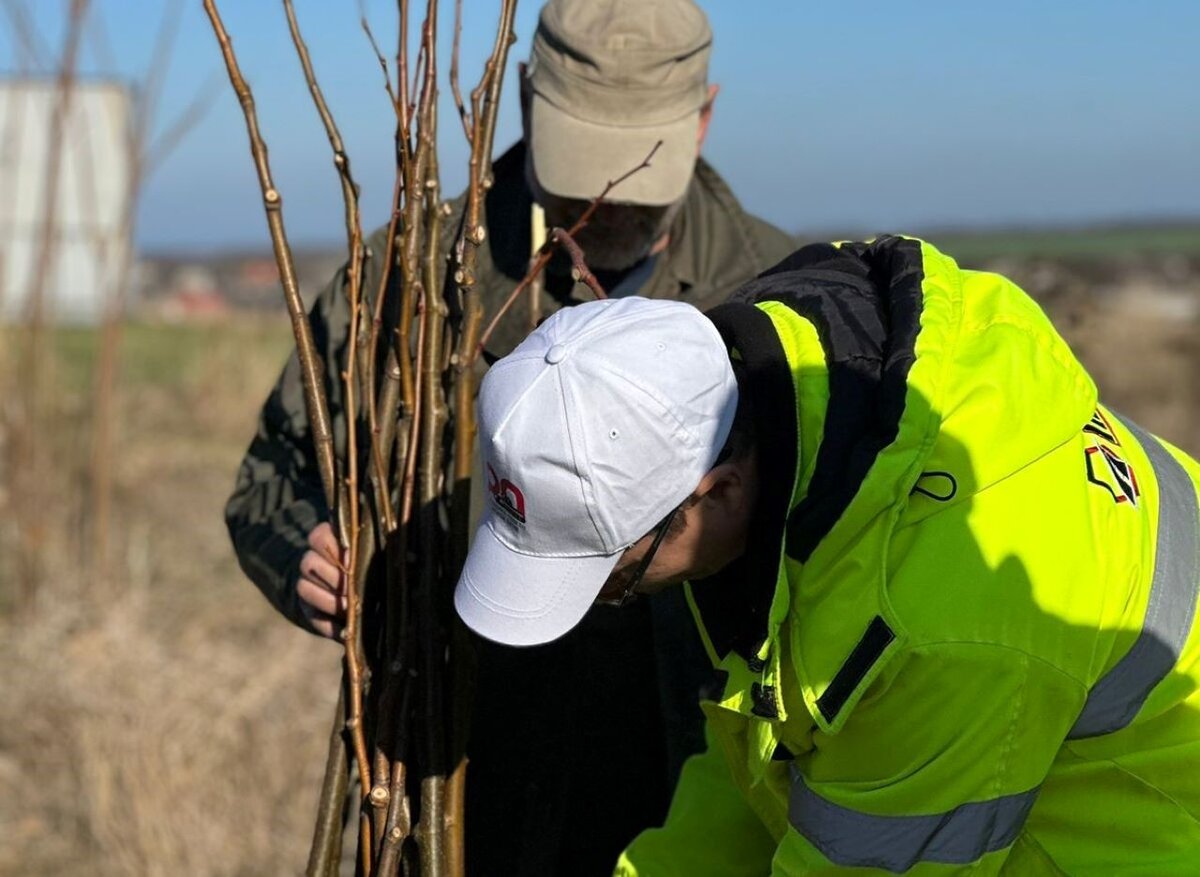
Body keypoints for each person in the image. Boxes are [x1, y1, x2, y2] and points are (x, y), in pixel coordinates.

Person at [224, 0, 794, 873]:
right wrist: (304, 550)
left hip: (701, 785)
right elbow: (272, 473)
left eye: (635, 173)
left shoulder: (769, 301)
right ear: (527, 102)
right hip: (457, 778)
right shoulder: (407, 280)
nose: (604, 206)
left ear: (703, 117)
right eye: (581, 167)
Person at [455, 234, 1200, 875]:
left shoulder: (931, 623)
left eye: (611, 573)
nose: (606, 595)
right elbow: (760, 756)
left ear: (716, 491)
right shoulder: (772, 408)